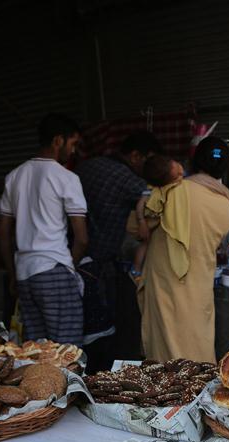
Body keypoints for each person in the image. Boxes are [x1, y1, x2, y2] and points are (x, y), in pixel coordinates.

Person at [140, 137, 229, 362]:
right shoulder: (228, 205)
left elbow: (137, 228)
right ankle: (198, 395)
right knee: (197, 353)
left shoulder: (171, 191)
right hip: (199, 291)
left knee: (163, 363)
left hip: (166, 290)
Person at [0, 113, 89, 345]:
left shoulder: (14, 177)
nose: (74, 151)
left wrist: (12, 274)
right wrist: (70, 267)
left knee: (34, 350)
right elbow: (81, 238)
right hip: (54, 269)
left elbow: (3, 235)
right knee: (67, 351)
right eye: (72, 144)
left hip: (25, 274)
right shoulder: (66, 178)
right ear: (58, 141)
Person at [75, 131, 162, 365]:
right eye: (148, 160)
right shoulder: (126, 178)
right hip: (98, 265)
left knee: (78, 331)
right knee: (104, 333)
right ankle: (100, 378)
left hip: (72, 258)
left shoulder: (88, 166)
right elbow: (156, 199)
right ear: (135, 156)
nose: (150, 167)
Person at [134, 154, 186, 279]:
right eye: (178, 176)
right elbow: (140, 205)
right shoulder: (152, 189)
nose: (181, 175)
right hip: (149, 221)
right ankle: (135, 270)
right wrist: (142, 223)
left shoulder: (172, 182)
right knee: (145, 244)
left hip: (158, 222)